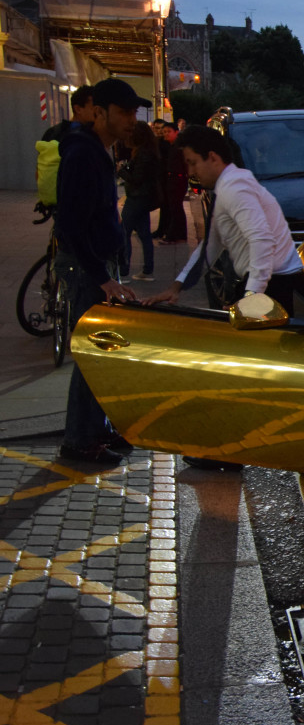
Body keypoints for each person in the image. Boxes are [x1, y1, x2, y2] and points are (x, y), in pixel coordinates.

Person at [54, 78, 143, 465]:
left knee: (104, 351)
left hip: (98, 264)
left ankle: (97, 429)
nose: (131, 120)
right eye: (123, 112)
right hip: (86, 266)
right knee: (93, 353)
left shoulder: (99, 153)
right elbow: (72, 225)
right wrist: (102, 276)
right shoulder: (83, 155)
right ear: (98, 111)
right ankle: (79, 441)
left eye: (134, 112)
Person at [146, 125, 304, 311]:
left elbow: (261, 239)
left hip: (278, 287)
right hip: (275, 284)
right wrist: (177, 286)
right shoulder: (228, 186)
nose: (190, 172)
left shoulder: (234, 188)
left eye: (193, 163)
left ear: (213, 157)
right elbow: (211, 244)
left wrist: (251, 300)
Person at [118, 120, 161, 281]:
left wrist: (121, 171)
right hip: (144, 198)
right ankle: (147, 270)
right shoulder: (148, 152)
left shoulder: (143, 154)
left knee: (124, 233)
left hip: (137, 197)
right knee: (144, 234)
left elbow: (137, 179)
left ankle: (123, 271)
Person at [157, 122, 189, 244]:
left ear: (176, 132)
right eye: (164, 132)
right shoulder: (171, 146)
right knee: (176, 208)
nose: (166, 134)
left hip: (177, 180)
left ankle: (172, 236)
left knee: (175, 208)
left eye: (168, 131)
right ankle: (180, 235)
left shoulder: (179, 146)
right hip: (173, 179)